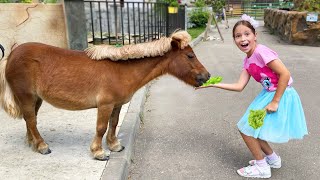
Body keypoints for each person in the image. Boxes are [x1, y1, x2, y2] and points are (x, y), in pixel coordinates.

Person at [196, 14, 308, 178]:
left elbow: (285, 74)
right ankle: (272, 159)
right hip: (269, 94)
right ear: (234, 40)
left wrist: (276, 102)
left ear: (255, 35)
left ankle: (262, 167)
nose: (242, 39)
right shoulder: (248, 61)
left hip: (281, 94)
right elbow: (239, 86)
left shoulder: (262, 52)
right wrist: (213, 84)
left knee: (246, 128)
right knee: (255, 129)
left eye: (247, 34)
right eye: (237, 36)